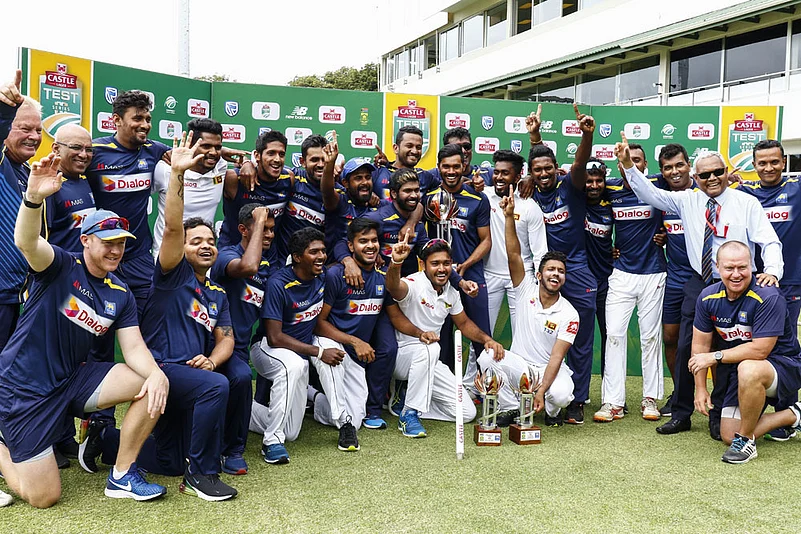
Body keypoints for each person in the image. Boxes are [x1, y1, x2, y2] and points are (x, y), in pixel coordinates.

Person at [0, 152, 169, 507]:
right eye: (108, 241)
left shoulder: (120, 292)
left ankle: (122, 475)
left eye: (121, 242)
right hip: (23, 389)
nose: (116, 249)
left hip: (72, 380)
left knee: (150, 383)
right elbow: (27, 243)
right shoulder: (60, 266)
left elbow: (134, 349)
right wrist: (33, 199)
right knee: (44, 497)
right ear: (86, 240)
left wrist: (156, 375)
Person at [615, 132, 783, 439]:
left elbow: (769, 241)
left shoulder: (746, 203)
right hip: (701, 283)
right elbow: (648, 192)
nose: (712, 178)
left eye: (717, 172)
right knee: (685, 348)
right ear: (696, 177)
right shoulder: (687, 200)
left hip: (739, 285)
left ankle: (721, 415)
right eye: (704, 175)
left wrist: (771, 271)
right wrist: (628, 165)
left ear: (726, 172)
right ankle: (681, 413)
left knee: (732, 352)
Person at [101, 132, 238, 501]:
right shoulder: (171, 274)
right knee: (216, 386)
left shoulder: (217, 292)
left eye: (210, 241)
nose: (206, 246)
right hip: (161, 368)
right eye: (196, 242)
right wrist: (178, 175)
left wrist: (212, 360)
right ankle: (201, 475)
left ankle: (106, 440)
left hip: (190, 375)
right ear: (182, 249)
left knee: (170, 460)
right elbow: (174, 227)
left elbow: (227, 338)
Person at [690, 241, 801, 463]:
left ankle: (747, 443)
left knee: (748, 367)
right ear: (717, 267)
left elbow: (760, 350)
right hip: (742, 371)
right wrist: (700, 389)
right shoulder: (707, 297)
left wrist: (715, 357)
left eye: (742, 267)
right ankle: (794, 414)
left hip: (784, 366)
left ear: (752, 265)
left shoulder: (768, 295)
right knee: (729, 435)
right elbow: (700, 348)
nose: (736, 274)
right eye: (729, 268)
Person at [478, 188, 577, 426]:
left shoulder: (569, 314)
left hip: (548, 369)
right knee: (487, 356)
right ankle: (511, 407)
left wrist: (540, 391)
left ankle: (552, 411)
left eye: (561, 271)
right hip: (520, 366)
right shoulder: (524, 289)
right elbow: (514, 254)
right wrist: (509, 217)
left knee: (561, 395)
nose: (556, 274)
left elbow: (557, 357)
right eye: (551, 270)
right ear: (539, 275)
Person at [386, 234, 502, 437]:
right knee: (431, 348)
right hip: (402, 357)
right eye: (435, 264)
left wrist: (487, 340)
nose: (441, 269)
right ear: (423, 264)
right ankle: (409, 414)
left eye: (446, 263)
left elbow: (463, 323)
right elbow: (394, 287)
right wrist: (396, 263)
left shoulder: (451, 292)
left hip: (430, 360)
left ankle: (407, 402)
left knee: (467, 413)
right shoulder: (413, 283)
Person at [524, 103, 596, 425]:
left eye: (548, 169)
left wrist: (586, 136)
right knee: (541, 335)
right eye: (537, 170)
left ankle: (577, 399)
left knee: (580, 339)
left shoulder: (570, 186)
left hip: (577, 270)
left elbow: (579, 163)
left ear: (557, 168)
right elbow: (537, 157)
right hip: (544, 273)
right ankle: (541, 391)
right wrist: (535, 136)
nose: (543, 174)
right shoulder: (528, 193)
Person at [594, 144, 667, 424]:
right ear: (618, 165)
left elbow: (688, 183)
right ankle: (613, 402)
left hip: (654, 272)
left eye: (637, 160)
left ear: (646, 165)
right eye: (626, 161)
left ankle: (650, 398)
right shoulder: (610, 188)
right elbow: (579, 187)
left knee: (650, 337)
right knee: (613, 334)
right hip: (621, 272)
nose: (631, 165)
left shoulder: (658, 184)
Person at [734, 139, 801, 441]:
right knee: (755, 344)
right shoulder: (745, 193)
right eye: (762, 162)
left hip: (789, 281)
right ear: (754, 165)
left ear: (784, 162)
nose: (769, 167)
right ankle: (754, 403)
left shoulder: (797, 188)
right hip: (752, 283)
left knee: (784, 347)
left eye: (775, 161)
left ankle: (786, 413)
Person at [251, 227, 328, 464]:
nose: (321, 256)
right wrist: (319, 352)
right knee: (293, 365)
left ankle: (239, 409)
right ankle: (271, 442)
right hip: (266, 349)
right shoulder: (278, 283)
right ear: (297, 257)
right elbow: (275, 337)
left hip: (297, 355)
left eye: (323, 251)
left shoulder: (322, 277)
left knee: (292, 432)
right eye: (314, 252)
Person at [309, 218, 387, 450]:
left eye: (374, 240)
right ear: (351, 246)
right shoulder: (336, 275)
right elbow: (318, 324)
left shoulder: (382, 276)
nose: (370, 246)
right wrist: (355, 341)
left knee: (358, 416)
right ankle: (345, 426)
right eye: (363, 241)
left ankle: (312, 397)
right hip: (329, 341)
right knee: (333, 355)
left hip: (354, 354)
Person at [210, 203, 276, 475]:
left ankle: (233, 450)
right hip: (211, 344)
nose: (268, 234)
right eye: (263, 228)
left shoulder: (267, 267)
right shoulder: (227, 255)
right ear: (243, 230)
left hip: (238, 349)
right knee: (231, 379)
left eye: (271, 229)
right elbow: (248, 266)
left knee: (241, 377)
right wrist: (258, 221)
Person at [425, 144, 492, 385]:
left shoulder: (478, 198)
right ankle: (441, 390)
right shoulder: (429, 198)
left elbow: (486, 241)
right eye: (446, 167)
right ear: (439, 168)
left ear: (464, 166)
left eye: (456, 166)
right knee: (439, 338)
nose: (451, 171)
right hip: (438, 279)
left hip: (471, 274)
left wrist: (465, 265)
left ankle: (488, 389)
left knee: (481, 335)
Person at [0, 70, 43, 352]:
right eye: (25, 128)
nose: (34, 136)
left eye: (38, 130)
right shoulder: (2, 163)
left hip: (20, 297)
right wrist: (5, 110)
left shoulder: (30, 173)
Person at [484, 149, 547, 336]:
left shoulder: (529, 206)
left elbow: (540, 251)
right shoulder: (484, 197)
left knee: (522, 334)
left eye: (505, 173)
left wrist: (540, 284)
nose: (499, 177)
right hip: (489, 274)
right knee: (482, 335)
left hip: (522, 277)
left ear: (518, 176)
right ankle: (477, 359)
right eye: (496, 172)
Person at [655, 143, 697, 417]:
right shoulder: (662, 193)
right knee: (670, 337)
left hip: (702, 279)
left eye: (680, 165)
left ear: (689, 165)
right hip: (674, 277)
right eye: (668, 168)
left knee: (707, 341)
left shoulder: (704, 190)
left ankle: (716, 398)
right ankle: (680, 392)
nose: (674, 172)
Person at [151, 118, 231, 258]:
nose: (213, 152)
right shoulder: (166, 170)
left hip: (202, 256)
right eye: (206, 146)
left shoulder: (221, 167)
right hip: (168, 257)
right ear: (191, 146)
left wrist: (246, 163)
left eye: (217, 147)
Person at [218, 130, 293, 248]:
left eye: (281, 154)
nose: (277, 159)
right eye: (271, 153)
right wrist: (246, 162)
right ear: (257, 156)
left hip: (268, 255)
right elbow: (204, 154)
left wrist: (247, 162)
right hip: (234, 252)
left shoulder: (289, 178)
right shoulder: (234, 178)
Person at [274, 134, 328, 261]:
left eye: (324, 160)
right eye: (314, 160)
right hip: (282, 262)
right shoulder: (292, 178)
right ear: (302, 162)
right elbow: (264, 169)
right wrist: (248, 164)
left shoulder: (338, 191)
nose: (320, 164)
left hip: (316, 264)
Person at [582, 159, 613, 381]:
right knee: (577, 337)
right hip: (577, 280)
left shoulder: (612, 202)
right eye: (589, 181)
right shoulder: (573, 199)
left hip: (606, 279)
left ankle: (608, 390)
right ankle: (575, 391)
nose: (594, 185)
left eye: (598, 180)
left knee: (609, 336)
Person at [46, 124, 96, 252]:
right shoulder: (47, 186)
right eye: (76, 147)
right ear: (56, 149)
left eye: (89, 149)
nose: (83, 155)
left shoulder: (87, 180)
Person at [372, 126, 436, 200]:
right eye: (409, 146)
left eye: (418, 147)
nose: (414, 151)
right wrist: (369, 195)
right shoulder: (377, 171)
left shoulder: (425, 177)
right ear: (396, 148)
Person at [428, 127, 492, 186]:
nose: (463, 151)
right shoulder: (431, 176)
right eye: (457, 147)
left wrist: (482, 189)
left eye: (466, 146)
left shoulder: (489, 174)